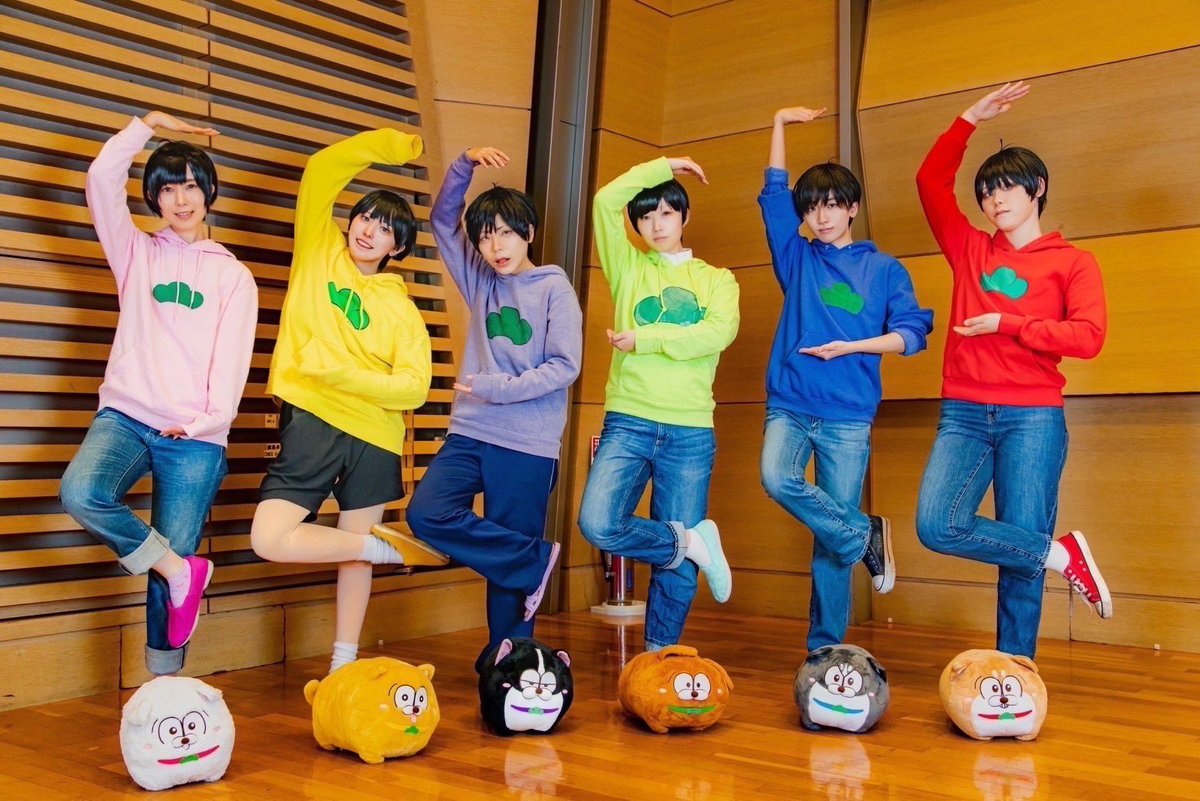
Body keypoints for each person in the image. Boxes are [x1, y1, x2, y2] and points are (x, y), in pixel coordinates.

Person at [914, 81, 1112, 659]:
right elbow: (929, 182)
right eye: (986, 193)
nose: (995, 201)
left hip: (1033, 417)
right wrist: (969, 118)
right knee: (939, 524)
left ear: (1037, 188)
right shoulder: (969, 249)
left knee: (1019, 556)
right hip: (965, 413)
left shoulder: (1074, 262)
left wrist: (1010, 323)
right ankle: (1060, 555)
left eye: (1005, 188)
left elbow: (1089, 337)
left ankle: (1016, 675)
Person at [61, 111, 258, 675]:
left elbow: (232, 363)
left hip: (195, 437)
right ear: (153, 198)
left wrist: (203, 424)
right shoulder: (136, 253)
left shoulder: (233, 276)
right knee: (82, 492)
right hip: (126, 415)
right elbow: (101, 179)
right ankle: (178, 569)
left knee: (168, 573)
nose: (181, 199)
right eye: (168, 189)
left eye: (190, 186)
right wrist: (143, 126)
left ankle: (163, 682)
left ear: (209, 191)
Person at [250, 128, 435, 675]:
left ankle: (343, 664)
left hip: (375, 435)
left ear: (398, 248)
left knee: (352, 553)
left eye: (387, 229)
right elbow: (322, 169)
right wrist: (391, 146)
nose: (370, 230)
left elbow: (415, 388)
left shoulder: (402, 309)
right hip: (311, 418)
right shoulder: (318, 248)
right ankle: (379, 547)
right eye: (366, 218)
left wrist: (341, 374)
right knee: (270, 537)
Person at [758, 105, 934, 652]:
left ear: (853, 207)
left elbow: (912, 334)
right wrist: (779, 124)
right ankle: (865, 533)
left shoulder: (884, 270)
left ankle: (825, 648)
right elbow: (774, 193)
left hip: (849, 415)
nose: (822, 216)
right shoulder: (796, 258)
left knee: (829, 541)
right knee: (776, 478)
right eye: (812, 207)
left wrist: (853, 347)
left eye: (833, 204)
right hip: (790, 403)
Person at [405, 146, 582, 671]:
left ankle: (510, 668)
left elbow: (565, 366)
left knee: (509, 580)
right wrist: (463, 164)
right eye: (485, 236)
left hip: (527, 441)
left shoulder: (554, 288)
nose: (495, 245)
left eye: (505, 233)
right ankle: (534, 559)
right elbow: (443, 220)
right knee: (427, 512)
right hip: (471, 431)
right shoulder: (480, 280)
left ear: (528, 233)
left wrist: (494, 387)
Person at [578, 156, 740, 652]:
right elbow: (604, 200)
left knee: (676, 570)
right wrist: (663, 166)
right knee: (599, 522)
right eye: (646, 216)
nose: (656, 225)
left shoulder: (718, 280)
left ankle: (658, 657)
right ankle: (691, 542)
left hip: (690, 429)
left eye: (667, 213)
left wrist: (646, 339)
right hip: (630, 419)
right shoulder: (628, 267)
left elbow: (717, 334)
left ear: (685, 216)